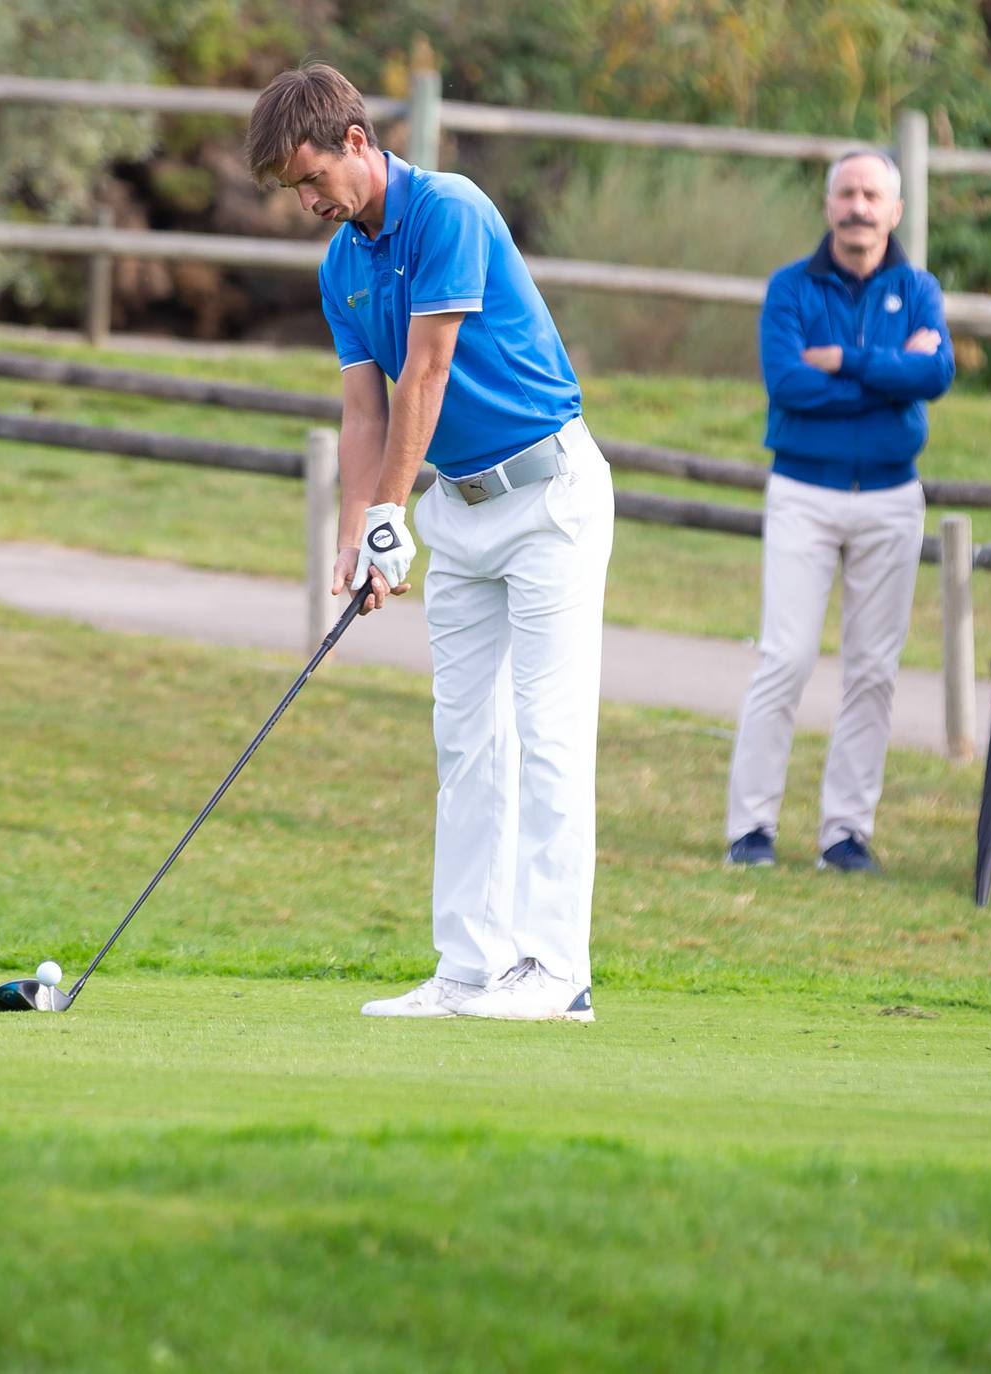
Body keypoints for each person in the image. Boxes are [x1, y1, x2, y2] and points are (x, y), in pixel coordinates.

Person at [248, 64, 610, 1021]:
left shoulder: (450, 208)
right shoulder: (342, 266)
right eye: (295, 190)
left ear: (357, 143)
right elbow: (363, 413)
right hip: (459, 509)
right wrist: (354, 537)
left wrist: (388, 514)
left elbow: (429, 369)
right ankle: (467, 971)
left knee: (547, 734)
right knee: (465, 741)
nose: (308, 202)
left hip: (548, 499)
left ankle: (555, 971)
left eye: (311, 179)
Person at [724, 150, 954, 873]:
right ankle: (751, 829)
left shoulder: (919, 289)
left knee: (873, 669)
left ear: (895, 210)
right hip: (804, 490)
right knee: (785, 657)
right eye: (847, 193)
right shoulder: (791, 288)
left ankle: (845, 834)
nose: (858, 207)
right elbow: (788, 383)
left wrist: (845, 361)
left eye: (872, 195)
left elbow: (937, 373)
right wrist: (890, 374)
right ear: (830, 206)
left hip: (891, 496)